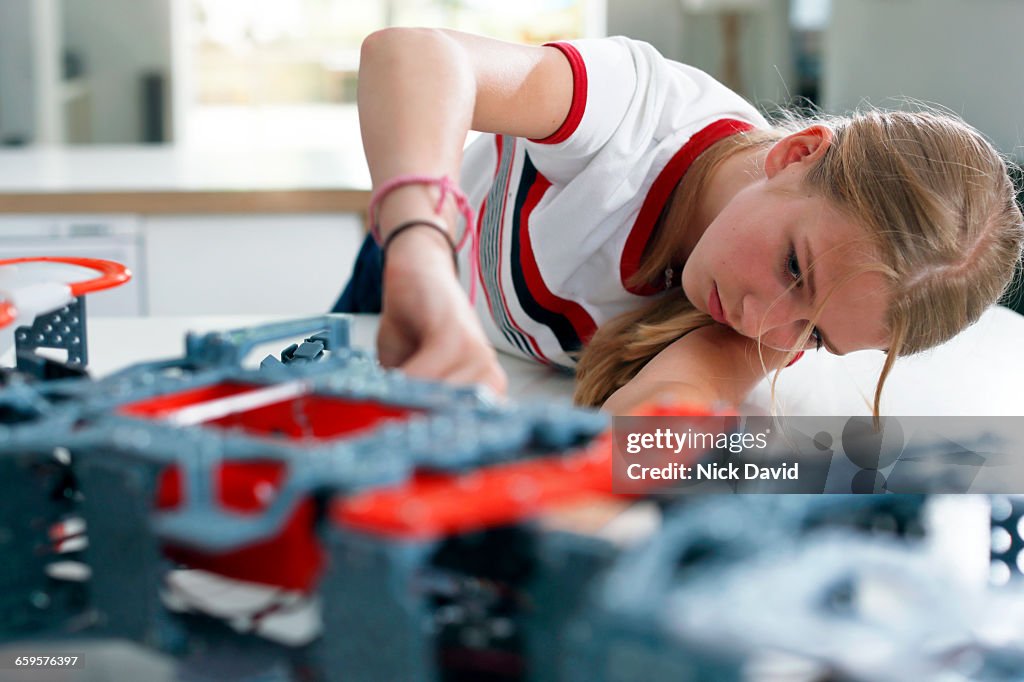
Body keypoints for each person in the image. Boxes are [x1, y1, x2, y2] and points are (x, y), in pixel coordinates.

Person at [335, 27, 1024, 417]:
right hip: (409, 249)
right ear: (796, 153)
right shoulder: (637, 111)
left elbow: (670, 404)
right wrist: (419, 251)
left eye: (816, 336)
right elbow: (412, 55)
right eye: (794, 267)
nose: (764, 324)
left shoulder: (773, 320)